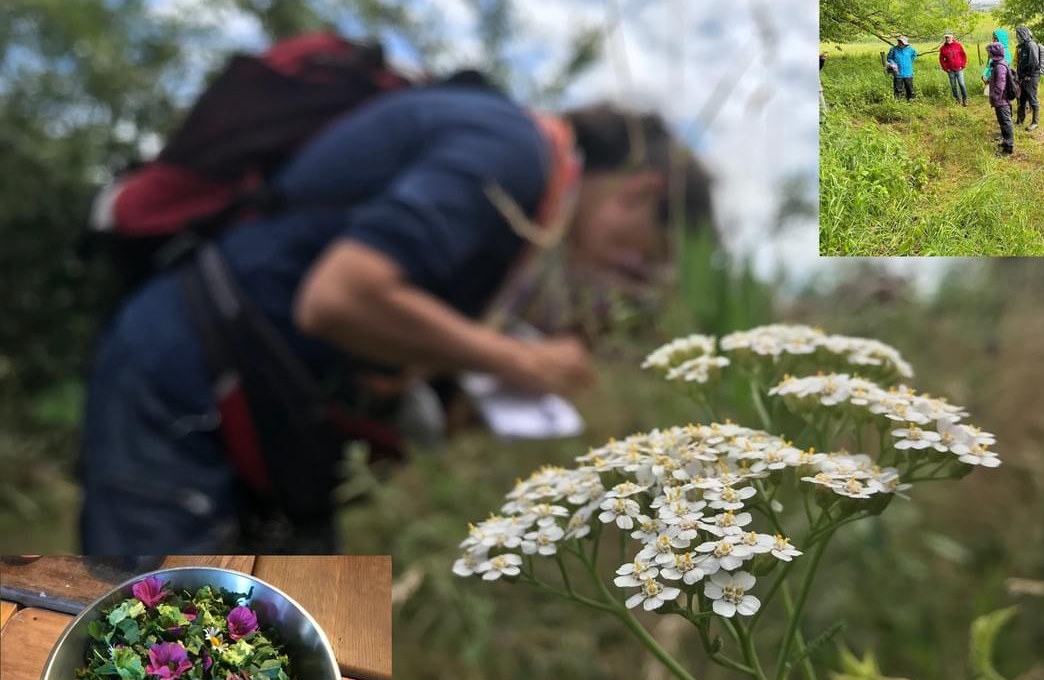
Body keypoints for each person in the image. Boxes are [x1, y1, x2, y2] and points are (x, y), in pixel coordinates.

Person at [79, 83, 714, 552]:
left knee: (273, 655)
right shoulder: (513, 152)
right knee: (159, 648)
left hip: (266, 425)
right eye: (638, 261)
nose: (617, 282)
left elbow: (379, 332)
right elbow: (339, 297)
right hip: (183, 382)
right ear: (640, 193)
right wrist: (524, 361)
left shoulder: (522, 236)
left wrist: (459, 388)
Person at [987, 41, 1015, 156]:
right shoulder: (998, 64)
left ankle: (1008, 148)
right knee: (1003, 122)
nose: (988, 54)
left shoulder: (1000, 67)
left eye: (989, 52)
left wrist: (993, 97)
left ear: (994, 53)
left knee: (1006, 123)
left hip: (1001, 100)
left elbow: (1000, 85)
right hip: (1000, 100)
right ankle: (1005, 141)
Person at [1015, 26, 1044, 130]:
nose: (1017, 37)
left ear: (1023, 34)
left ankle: (1035, 122)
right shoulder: (1022, 46)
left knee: (1033, 99)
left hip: (1031, 77)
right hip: (1023, 77)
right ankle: (1019, 120)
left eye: (1018, 35)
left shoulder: (1031, 45)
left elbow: (1034, 62)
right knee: (1021, 99)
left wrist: (1028, 75)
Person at [939, 32, 968, 106]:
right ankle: (957, 100)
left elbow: (964, 55)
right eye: (946, 37)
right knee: (953, 85)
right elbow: (941, 59)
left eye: (948, 37)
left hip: (959, 69)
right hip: (950, 70)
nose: (947, 39)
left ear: (952, 37)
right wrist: (945, 68)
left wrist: (963, 65)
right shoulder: (943, 48)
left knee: (961, 84)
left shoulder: (958, 45)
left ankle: (965, 99)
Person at [887, 36, 918, 101]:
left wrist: (910, 61)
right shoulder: (893, 49)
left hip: (908, 72)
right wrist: (893, 63)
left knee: (909, 88)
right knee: (898, 89)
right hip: (898, 73)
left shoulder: (910, 49)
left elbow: (914, 54)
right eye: (899, 42)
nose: (900, 44)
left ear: (905, 43)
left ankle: (911, 101)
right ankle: (898, 101)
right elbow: (889, 58)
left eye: (902, 42)